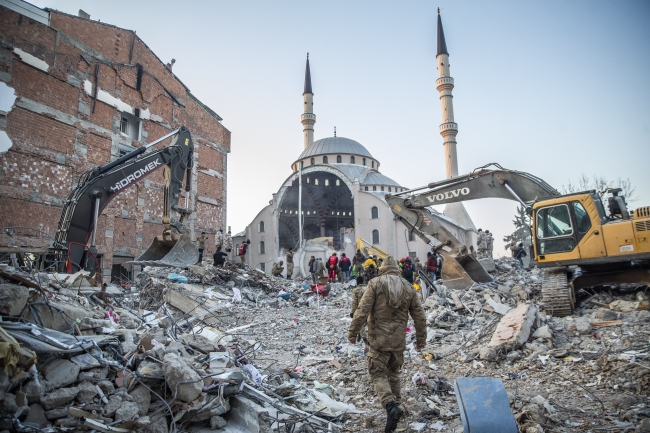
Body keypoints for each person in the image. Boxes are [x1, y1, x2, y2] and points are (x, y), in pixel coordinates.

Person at [348, 256, 427, 433]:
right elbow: (419, 315)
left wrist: (353, 331)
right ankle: (396, 410)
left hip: (378, 339)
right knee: (394, 373)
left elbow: (363, 309)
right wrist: (421, 338)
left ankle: (391, 406)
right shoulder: (408, 286)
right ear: (396, 269)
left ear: (382, 269)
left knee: (377, 374)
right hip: (398, 340)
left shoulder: (375, 284)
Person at [350, 275, 369, 353]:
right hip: (369, 309)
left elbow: (354, 302)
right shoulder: (368, 288)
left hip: (360, 309)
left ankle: (365, 339)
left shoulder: (356, 290)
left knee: (360, 324)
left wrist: (352, 312)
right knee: (367, 323)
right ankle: (360, 336)